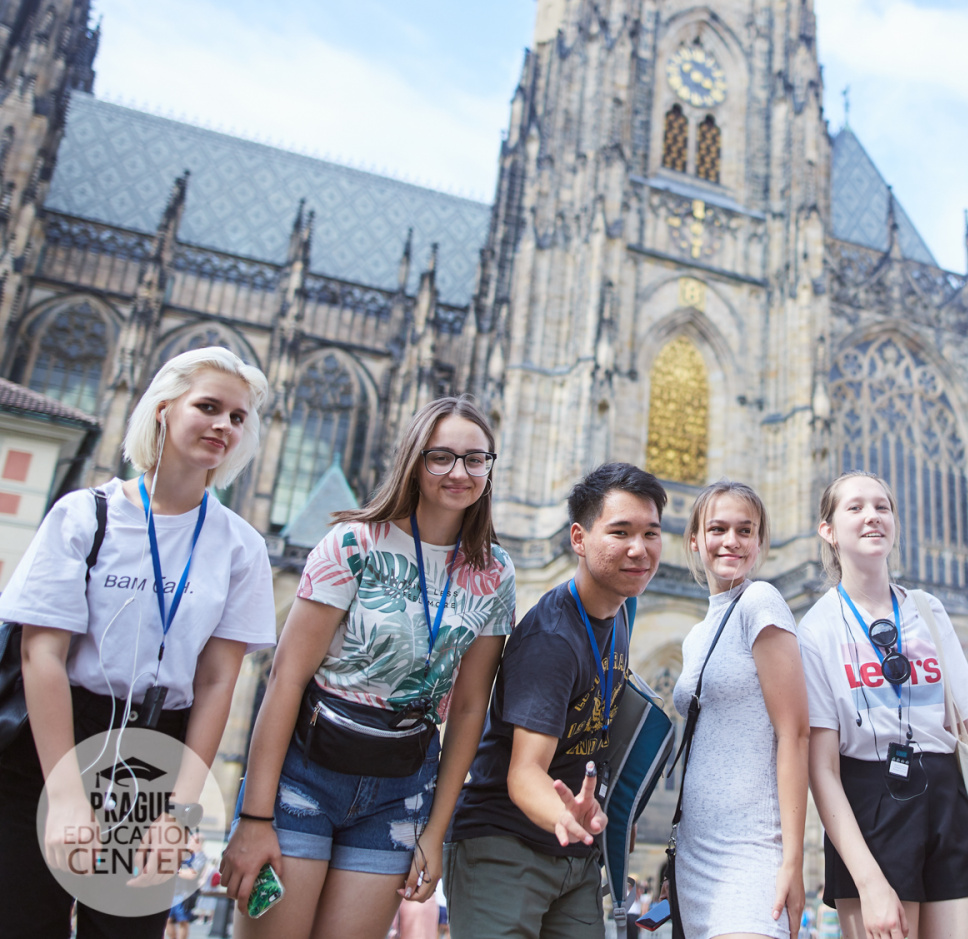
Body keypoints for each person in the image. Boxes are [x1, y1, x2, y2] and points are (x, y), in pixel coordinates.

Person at [0, 346, 276, 939]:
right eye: (208, 406)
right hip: (53, 743)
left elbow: (217, 681)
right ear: (162, 409)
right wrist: (67, 797)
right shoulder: (84, 515)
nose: (224, 426)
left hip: (154, 755)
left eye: (238, 417)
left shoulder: (240, 545)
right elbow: (40, 654)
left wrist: (179, 812)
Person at [221, 397, 516, 939]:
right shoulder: (353, 542)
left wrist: (435, 828)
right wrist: (255, 817)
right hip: (305, 775)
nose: (460, 472)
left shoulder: (494, 571)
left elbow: (472, 705)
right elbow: (285, 679)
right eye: (442, 457)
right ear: (413, 459)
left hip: (401, 788)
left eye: (476, 459)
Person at [800, 471, 968, 939]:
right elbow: (822, 770)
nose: (873, 515)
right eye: (856, 507)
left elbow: (965, 733)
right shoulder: (815, 630)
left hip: (947, 799)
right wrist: (869, 883)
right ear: (828, 531)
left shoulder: (928, 609)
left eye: (883, 506)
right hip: (870, 806)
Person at [445, 462, 667, 939]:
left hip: (575, 854)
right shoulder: (553, 639)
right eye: (620, 532)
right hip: (506, 848)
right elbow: (524, 771)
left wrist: (601, 820)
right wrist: (569, 817)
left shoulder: (621, 609)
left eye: (651, 533)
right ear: (579, 539)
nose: (639, 549)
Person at [671, 480, 809, 939]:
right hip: (694, 853)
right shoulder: (696, 635)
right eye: (718, 529)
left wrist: (792, 858)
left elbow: (795, 734)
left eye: (745, 531)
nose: (731, 541)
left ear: (759, 541)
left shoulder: (760, 602)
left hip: (751, 851)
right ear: (695, 540)